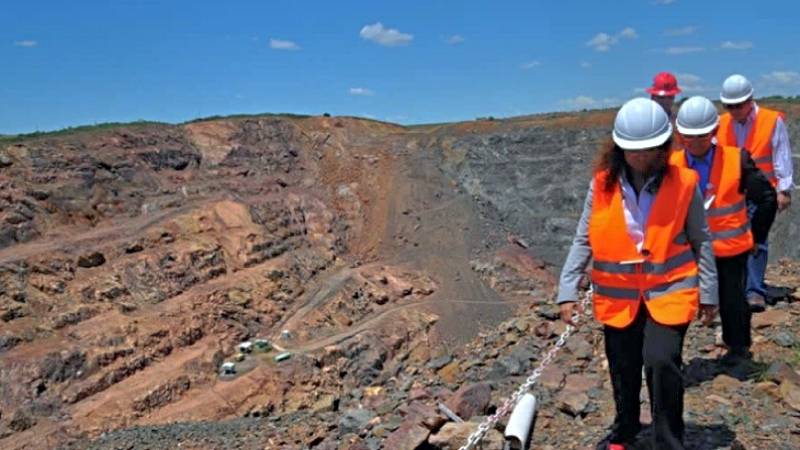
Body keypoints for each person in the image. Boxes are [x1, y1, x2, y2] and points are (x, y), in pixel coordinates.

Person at [557, 98, 718, 450]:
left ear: (663, 147)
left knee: (661, 362)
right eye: (632, 151)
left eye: (647, 150)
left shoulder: (685, 182)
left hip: (670, 293)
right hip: (620, 297)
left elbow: (700, 239)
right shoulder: (601, 186)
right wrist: (567, 290)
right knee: (623, 365)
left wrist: (709, 293)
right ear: (618, 148)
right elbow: (583, 238)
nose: (639, 157)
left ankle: (668, 441)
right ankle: (625, 429)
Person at [669, 96, 777, 364]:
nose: (694, 142)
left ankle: (738, 348)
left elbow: (766, 198)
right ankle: (670, 357)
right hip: (687, 250)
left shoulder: (736, 159)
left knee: (732, 300)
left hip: (729, 249)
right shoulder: (671, 166)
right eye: (688, 136)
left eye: (701, 136)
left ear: (714, 132)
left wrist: (756, 236)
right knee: (678, 301)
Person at [716, 74, 794, 311]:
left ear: (751, 99)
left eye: (738, 105)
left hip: (763, 193)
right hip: (731, 191)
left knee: (757, 239)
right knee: (731, 240)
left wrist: (784, 189)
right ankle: (735, 288)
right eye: (729, 106)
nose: (735, 110)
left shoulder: (770, 121)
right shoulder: (722, 123)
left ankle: (754, 291)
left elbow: (782, 155)